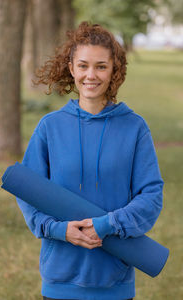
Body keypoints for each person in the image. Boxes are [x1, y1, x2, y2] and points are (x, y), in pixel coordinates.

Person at [16, 21, 164, 300]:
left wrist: (107, 224)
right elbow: (28, 194)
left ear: (114, 70)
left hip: (114, 283)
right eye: (83, 66)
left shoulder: (135, 128)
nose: (91, 75)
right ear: (72, 68)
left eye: (101, 66)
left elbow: (151, 197)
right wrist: (59, 230)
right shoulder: (50, 127)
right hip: (59, 281)